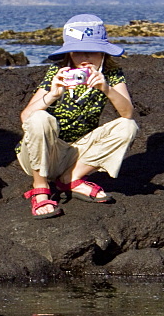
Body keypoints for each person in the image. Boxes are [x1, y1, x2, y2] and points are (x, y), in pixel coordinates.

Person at [18, 13, 138, 218]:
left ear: (103, 53)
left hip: (78, 153)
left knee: (129, 126)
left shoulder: (111, 74)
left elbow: (127, 113)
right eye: (78, 53)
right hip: (45, 152)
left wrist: (106, 88)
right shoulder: (58, 72)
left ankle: (70, 178)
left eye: (92, 52)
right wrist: (53, 94)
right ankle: (40, 187)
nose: (85, 59)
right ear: (69, 53)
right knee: (39, 118)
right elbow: (26, 116)